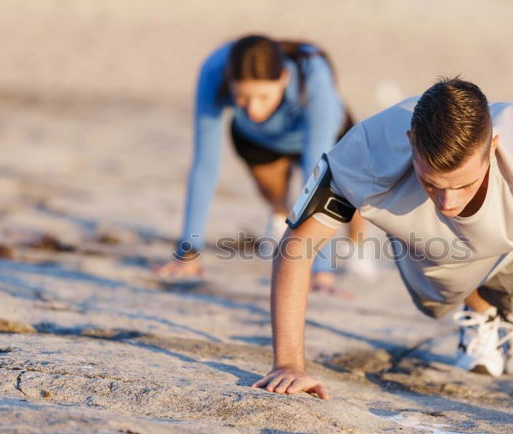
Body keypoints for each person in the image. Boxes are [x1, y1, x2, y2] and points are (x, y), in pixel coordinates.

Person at [252, 78, 513, 432]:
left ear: (492, 147)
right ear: (410, 141)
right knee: (435, 303)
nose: (448, 201)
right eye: (431, 183)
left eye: (463, 183)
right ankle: (478, 307)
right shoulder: (367, 148)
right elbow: (296, 248)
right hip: (430, 252)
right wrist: (288, 364)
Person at [156, 34, 376, 292]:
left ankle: (357, 246)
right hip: (260, 140)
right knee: (275, 197)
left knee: (350, 193)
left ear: (284, 78)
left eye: (263, 97)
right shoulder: (214, 71)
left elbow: (318, 177)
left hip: (326, 134)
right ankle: (279, 221)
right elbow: (205, 166)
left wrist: (321, 272)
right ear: (229, 82)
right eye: (241, 98)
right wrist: (188, 253)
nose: (253, 110)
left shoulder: (313, 73)